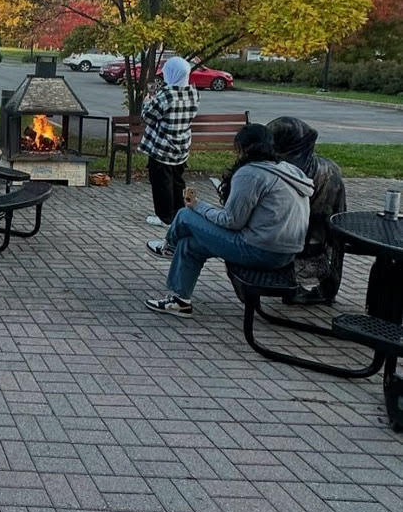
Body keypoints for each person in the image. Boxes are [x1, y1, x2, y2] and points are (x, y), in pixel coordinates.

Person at [145, 124, 313, 317]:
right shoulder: (288, 170)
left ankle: (169, 247)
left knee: (185, 215)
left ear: (243, 148)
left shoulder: (250, 173)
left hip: (260, 250)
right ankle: (179, 301)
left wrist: (198, 206)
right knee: (190, 245)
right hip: (286, 253)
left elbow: (232, 221)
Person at [268, 116, 347, 304]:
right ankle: (317, 287)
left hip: (307, 237)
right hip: (316, 235)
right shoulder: (320, 166)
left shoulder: (294, 173)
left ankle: (298, 286)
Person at [140, 56, 200, 227]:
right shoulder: (193, 92)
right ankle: (181, 213)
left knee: (161, 183)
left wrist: (147, 103)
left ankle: (165, 218)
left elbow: (148, 117)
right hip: (182, 146)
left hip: (162, 148)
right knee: (178, 181)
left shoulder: (166, 94)